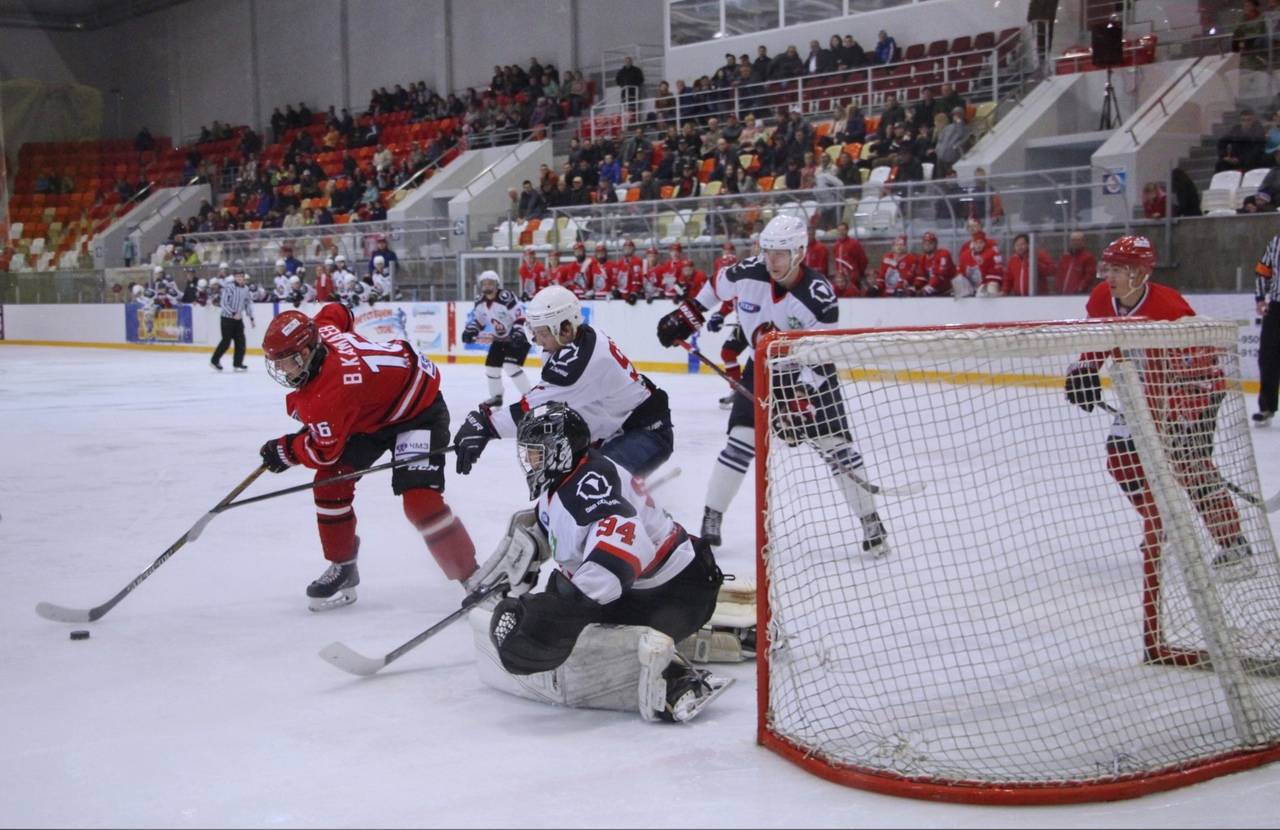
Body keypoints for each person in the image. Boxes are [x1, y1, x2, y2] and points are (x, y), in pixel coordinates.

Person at [472, 401, 731, 723]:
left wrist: (559, 609)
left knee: (566, 631)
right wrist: (519, 568)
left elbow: (621, 554)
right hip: (666, 588)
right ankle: (707, 638)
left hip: (677, 594)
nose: (528, 460)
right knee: (563, 616)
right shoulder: (570, 478)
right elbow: (544, 527)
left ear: (560, 451)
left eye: (535, 451)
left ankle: (676, 679)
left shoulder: (587, 490)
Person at [654, 214, 889, 555]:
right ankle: (712, 517)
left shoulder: (819, 297)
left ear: (799, 253)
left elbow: (821, 357)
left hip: (808, 371)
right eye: (767, 251)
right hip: (761, 367)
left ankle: (871, 521)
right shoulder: (748, 272)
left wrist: (801, 399)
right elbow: (715, 287)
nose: (771, 260)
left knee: (836, 448)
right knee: (739, 443)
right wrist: (685, 317)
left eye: (780, 253)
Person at [258, 304, 479, 610]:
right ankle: (343, 564)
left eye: (288, 361)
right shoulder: (323, 330)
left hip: (418, 412)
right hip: (371, 413)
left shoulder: (331, 394)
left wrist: (286, 450)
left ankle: (475, 578)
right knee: (330, 484)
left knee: (420, 503)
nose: (283, 370)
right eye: (277, 363)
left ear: (309, 350)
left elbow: (323, 451)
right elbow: (339, 311)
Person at [1064, 235, 1254, 580]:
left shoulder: (1170, 309)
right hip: (1143, 393)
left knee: (1188, 465)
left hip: (1195, 388)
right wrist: (1084, 371)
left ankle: (1234, 544)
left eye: (1119, 269)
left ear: (1140, 273)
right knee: (1121, 458)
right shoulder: (1102, 297)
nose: (1109, 276)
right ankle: (1160, 522)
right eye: (1108, 268)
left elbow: (1200, 366)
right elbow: (1099, 339)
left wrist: (1188, 419)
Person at [452, 284, 675, 482]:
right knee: (566, 482)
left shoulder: (580, 365)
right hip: (615, 429)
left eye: (542, 333)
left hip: (647, 434)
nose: (537, 341)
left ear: (566, 328)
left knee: (595, 487)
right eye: (535, 332)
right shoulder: (577, 338)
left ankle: (659, 526)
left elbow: (533, 411)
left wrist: (487, 425)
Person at [463, 270, 533, 409]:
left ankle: (530, 398)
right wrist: (471, 330)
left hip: (519, 336)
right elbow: (479, 321)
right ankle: (496, 397)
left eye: (491, 283)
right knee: (491, 368)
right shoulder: (480, 301)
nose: (487, 286)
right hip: (500, 339)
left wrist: (518, 333)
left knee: (510, 366)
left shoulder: (506, 297)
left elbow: (521, 316)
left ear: (497, 284)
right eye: (484, 283)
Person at [1252, 231, 1280, 424]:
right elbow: (1263, 271)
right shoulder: (1276, 242)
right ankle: (1267, 407)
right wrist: (1261, 299)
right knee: (1267, 357)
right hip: (1277, 306)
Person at [211, 266, 255, 372]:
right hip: (227, 319)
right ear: (234, 277)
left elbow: (247, 303)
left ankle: (237, 363)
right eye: (237, 276)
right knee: (226, 341)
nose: (240, 278)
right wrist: (233, 313)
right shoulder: (229, 287)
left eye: (241, 276)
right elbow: (224, 303)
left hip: (238, 319)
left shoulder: (245, 289)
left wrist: (251, 318)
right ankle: (214, 360)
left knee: (241, 341)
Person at [917, 231, 957, 296]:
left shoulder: (943, 254)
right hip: (935, 290)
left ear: (935, 244)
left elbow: (940, 275)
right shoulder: (922, 258)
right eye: (925, 243)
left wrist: (928, 288)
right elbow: (921, 276)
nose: (927, 245)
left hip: (950, 290)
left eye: (930, 243)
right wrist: (916, 288)